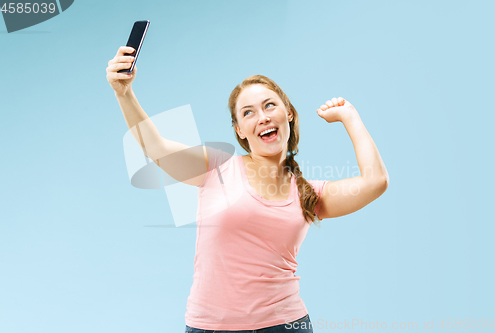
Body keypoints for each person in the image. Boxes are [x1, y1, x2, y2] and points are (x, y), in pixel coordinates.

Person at [106, 46, 389, 333]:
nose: (262, 117)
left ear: (288, 113)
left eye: (269, 105)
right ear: (239, 129)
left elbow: (375, 182)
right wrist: (123, 92)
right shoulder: (216, 166)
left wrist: (350, 117)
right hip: (210, 327)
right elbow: (156, 148)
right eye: (248, 113)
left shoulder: (310, 194)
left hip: (285, 325)